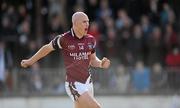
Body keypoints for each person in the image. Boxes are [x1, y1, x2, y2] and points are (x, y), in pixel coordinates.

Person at [21, 12, 110, 108]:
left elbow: (92, 60)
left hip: (88, 83)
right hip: (74, 84)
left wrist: (101, 63)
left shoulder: (91, 40)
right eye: (84, 22)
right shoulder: (64, 39)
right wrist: (30, 61)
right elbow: (47, 48)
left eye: (88, 22)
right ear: (75, 23)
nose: (87, 24)